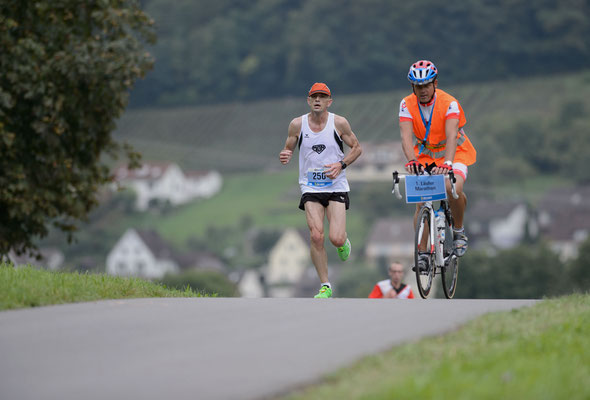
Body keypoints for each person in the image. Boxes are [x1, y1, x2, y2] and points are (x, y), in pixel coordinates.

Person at [279, 82, 362, 298]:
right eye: (314, 96)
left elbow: (357, 148)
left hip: (336, 185)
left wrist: (341, 165)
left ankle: (342, 241)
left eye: (322, 97)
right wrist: (285, 154)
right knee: (316, 236)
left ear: (329, 102)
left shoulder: (339, 123)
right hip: (310, 186)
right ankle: (325, 285)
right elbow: (288, 148)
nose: (317, 100)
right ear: (308, 101)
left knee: (334, 238)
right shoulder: (297, 125)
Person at [398, 60, 477, 271]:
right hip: (426, 155)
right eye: (418, 86)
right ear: (412, 87)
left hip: (455, 152)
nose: (422, 90)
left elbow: (452, 136)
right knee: (421, 199)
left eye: (426, 85)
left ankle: (458, 231)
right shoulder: (406, 104)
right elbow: (406, 138)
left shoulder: (449, 103)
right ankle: (422, 253)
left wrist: (449, 163)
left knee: (454, 188)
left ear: (435, 84)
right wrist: (411, 160)